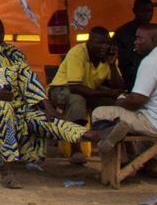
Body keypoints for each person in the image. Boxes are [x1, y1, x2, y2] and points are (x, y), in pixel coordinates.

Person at [0, 15, 104, 188]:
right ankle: (8, 171)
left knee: (46, 119)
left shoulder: (13, 54)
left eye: (0, 33)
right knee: (2, 108)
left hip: (19, 107)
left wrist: (47, 106)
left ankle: (93, 136)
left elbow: (30, 81)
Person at [93, 25, 157, 148]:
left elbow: (136, 102)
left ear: (155, 40)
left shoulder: (151, 61)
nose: (135, 42)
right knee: (141, 116)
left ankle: (121, 160)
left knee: (99, 113)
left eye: (139, 38)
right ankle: (147, 162)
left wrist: (121, 101)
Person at [48, 26, 123, 162]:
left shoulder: (108, 57)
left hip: (88, 89)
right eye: (98, 43)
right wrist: (105, 93)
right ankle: (76, 149)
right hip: (62, 90)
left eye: (106, 43)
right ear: (89, 42)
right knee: (78, 100)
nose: (103, 47)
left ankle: (119, 149)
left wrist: (112, 65)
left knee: (115, 102)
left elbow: (118, 87)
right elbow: (75, 87)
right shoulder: (77, 53)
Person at [112, 0, 157, 89]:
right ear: (134, 11)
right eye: (143, 11)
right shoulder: (123, 32)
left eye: (150, 11)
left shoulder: (156, 31)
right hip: (131, 71)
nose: (147, 14)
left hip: (153, 70)